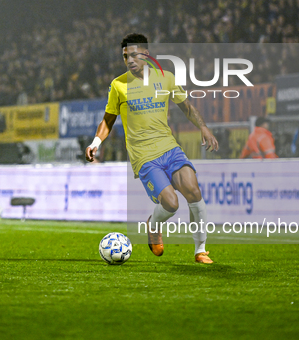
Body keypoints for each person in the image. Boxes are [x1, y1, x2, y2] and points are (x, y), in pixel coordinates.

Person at [85, 33, 219, 264]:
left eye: (134, 55)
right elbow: (108, 119)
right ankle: (153, 225)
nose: (129, 60)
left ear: (146, 55)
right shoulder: (119, 85)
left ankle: (200, 250)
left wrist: (204, 127)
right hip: (144, 157)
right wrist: (95, 142)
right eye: (126, 56)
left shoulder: (166, 78)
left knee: (193, 191)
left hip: (170, 148)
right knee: (171, 203)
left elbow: (186, 107)